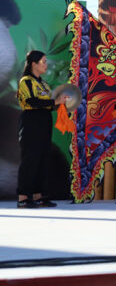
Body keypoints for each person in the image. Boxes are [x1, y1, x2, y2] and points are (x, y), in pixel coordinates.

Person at [16, 50, 69, 208]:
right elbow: (31, 102)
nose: (46, 65)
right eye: (43, 62)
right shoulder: (26, 81)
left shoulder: (44, 84)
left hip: (44, 122)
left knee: (43, 159)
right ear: (34, 64)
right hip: (31, 122)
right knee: (30, 160)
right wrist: (54, 102)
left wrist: (61, 102)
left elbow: (48, 104)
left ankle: (39, 196)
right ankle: (23, 197)